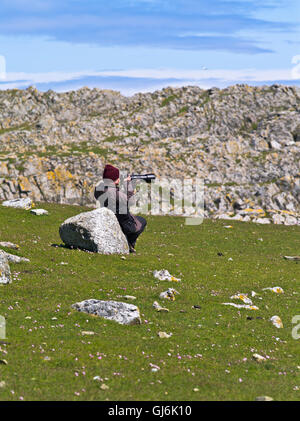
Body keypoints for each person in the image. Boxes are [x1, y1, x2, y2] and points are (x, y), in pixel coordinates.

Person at [94, 164, 147, 253]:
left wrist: (116, 185)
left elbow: (109, 190)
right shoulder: (115, 193)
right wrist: (128, 185)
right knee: (142, 221)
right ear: (115, 180)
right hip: (124, 223)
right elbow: (131, 201)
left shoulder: (99, 189)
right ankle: (129, 242)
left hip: (110, 219)